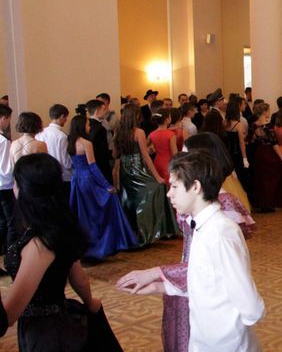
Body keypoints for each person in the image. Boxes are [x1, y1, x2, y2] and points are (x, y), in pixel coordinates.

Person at [116, 139, 265, 352]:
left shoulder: (221, 233)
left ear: (195, 187)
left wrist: (224, 332)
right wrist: (158, 286)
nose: (168, 193)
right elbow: (204, 281)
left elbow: (251, 307)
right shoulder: (202, 226)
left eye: (174, 186)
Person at [3, 153, 154, 352]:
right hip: (56, 327)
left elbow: (10, 312)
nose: (13, 188)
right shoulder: (55, 228)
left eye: (16, 183)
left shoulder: (39, 244)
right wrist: (90, 303)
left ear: (26, 191)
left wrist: (90, 304)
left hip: (46, 336)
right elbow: (79, 279)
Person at [67, 115, 137, 260]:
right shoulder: (86, 143)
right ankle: (103, 245)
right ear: (82, 126)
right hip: (88, 180)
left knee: (83, 215)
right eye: (88, 124)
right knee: (101, 209)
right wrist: (107, 185)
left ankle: (86, 248)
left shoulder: (70, 143)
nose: (89, 127)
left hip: (76, 180)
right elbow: (93, 168)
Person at [114, 103, 179, 246]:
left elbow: (115, 155)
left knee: (129, 199)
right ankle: (149, 230)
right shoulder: (139, 132)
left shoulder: (118, 132)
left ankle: (133, 232)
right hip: (137, 168)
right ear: (136, 116)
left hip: (124, 168)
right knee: (155, 190)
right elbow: (145, 156)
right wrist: (157, 177)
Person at [35, 103, 73, 199]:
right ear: (62, 116)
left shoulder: (40, 133)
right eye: (66, 117)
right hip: (62, 176)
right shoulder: (62, 136)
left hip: (45, 174)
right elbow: (66, 161)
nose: (66, 120)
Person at [148, 109, 178, 183]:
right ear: (167, 120)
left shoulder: (152, 134)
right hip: (168, 163)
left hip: (157, 162)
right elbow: (174, 153)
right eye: (170, 116)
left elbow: (145, 149)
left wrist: (152, 149)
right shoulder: (171, 134)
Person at [0, 105, 15, 256]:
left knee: (1, 222)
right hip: (4, 187)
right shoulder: (3, 141)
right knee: (11, 223)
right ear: (4, 118)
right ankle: (11, 257)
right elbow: (5, 170)